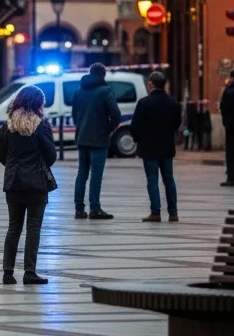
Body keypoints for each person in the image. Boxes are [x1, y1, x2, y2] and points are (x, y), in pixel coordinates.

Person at [0, 85, 57, 285]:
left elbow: (1, 156)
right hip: (36, 184)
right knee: (33, 228)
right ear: (38, 103)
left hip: (13, 182)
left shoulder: (8, 125)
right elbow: (51, 156)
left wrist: (14, 166)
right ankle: (30, 272)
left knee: (13, 227)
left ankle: (8, 272)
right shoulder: (41, 125)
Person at [71, 62, 122, 220]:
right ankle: (95, 208)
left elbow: (74, 115)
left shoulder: (79, 92)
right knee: (96, 174)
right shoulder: (105, 91)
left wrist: (81, 127)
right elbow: (116, 114)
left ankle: (79, 209)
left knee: (82, 173)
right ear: (103, 75)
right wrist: (108, 129)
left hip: (82, 138)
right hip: (99, 139)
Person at [130, 71, 181, 223]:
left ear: (150, 84)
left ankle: (155, 212)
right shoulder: (173, 103)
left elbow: (135, 126)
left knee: (152, 179)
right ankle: (173, 213)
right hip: (167, 146)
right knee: (169, 179)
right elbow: (176, 124)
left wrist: (138, 139)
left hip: (149, 148)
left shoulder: (144, 103)